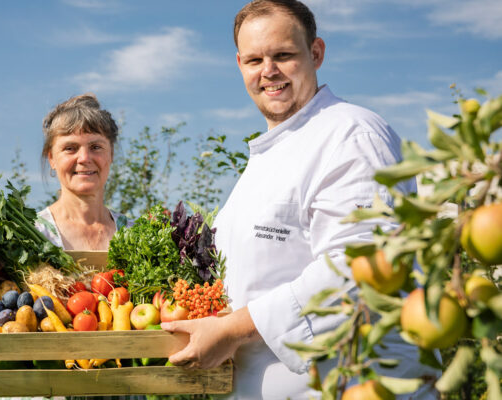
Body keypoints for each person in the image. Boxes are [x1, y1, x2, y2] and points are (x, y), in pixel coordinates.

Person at [161, 1, 439, 399]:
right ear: (239, 64)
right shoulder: (268, 157)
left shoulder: (352, 136)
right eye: (254, 59)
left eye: (284, 55)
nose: (268, 71)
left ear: (316, 52)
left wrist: (229, 330)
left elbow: (358, 269)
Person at [35, 93, 129, 251]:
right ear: (51, 158)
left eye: (96, 147)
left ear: (111, 154)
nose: (84, 158)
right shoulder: (33, 233)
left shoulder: (133, 234)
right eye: (70, 148)